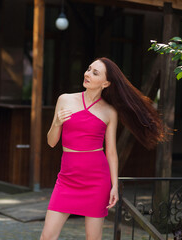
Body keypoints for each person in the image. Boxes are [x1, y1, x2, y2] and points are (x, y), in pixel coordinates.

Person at [40, 57, 166, 240]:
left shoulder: (109, 112)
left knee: (93, 238)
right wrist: (57, 123)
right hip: (67, 178)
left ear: (106, 83)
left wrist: (114, 185)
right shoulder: (65, 100)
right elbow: (51, 142)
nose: (87, 74)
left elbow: (111, 152)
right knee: (47, 236)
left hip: (96, 181)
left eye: (95, 72)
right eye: (88, 69)